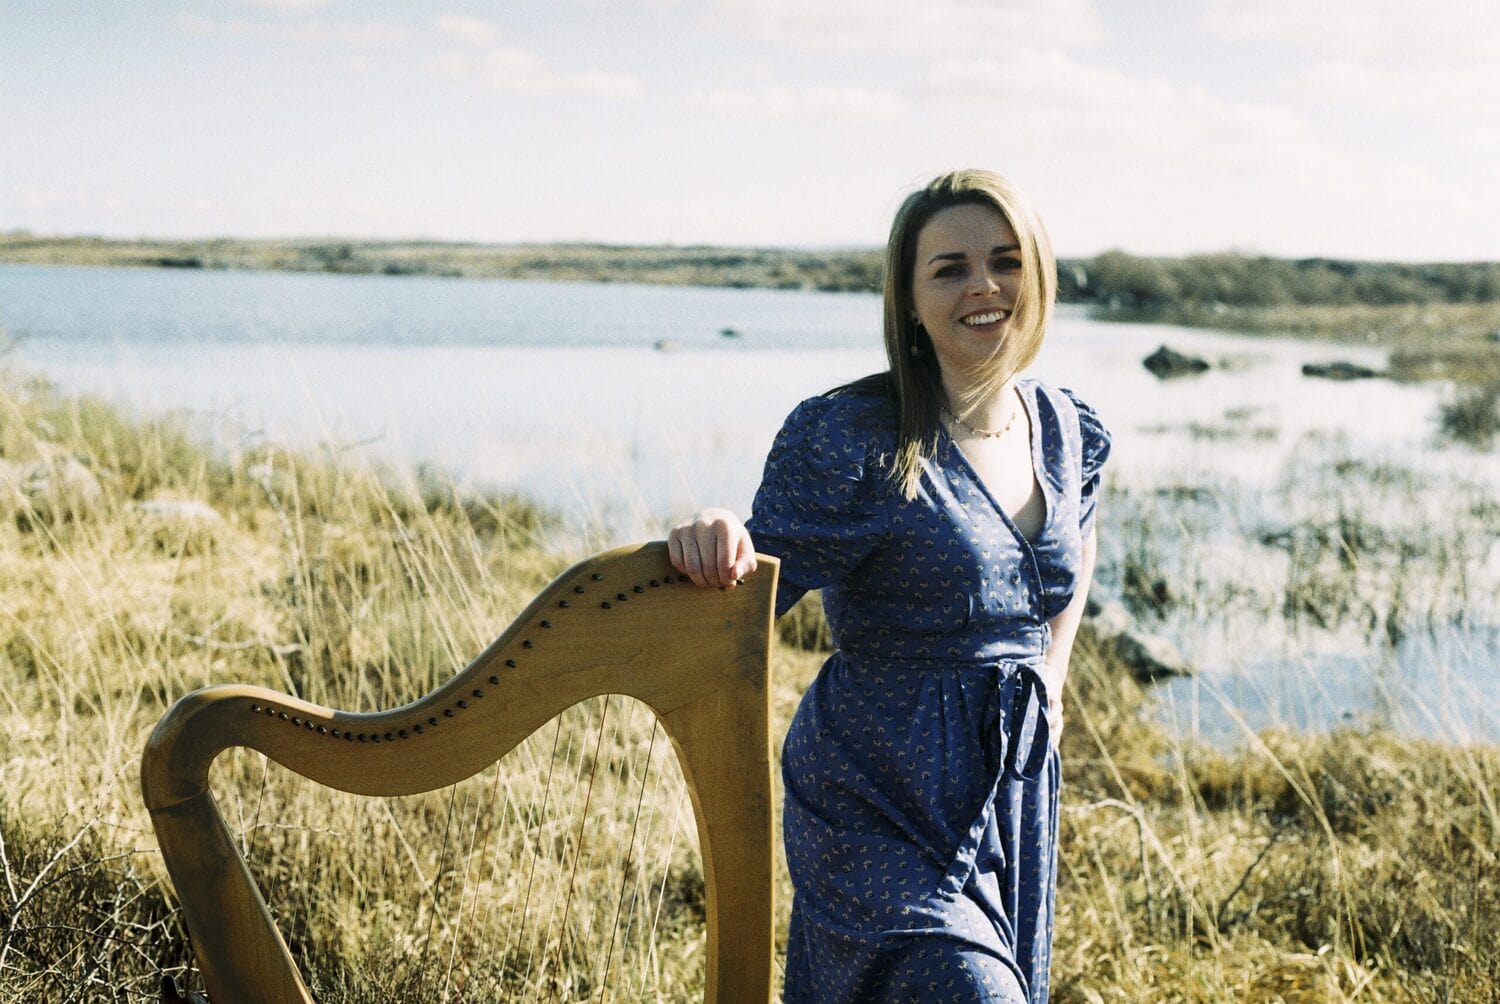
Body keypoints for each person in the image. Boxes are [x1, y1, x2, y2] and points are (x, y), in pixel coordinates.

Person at [667, 169, 1110, 1003]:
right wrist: (711, 531)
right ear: (909, 299)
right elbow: (753, 580)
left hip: (1010, 786)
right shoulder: (855, 436)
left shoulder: (1065, 427)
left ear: (1038, 276)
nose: (983, 286)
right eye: (950, 269)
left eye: (1005, 261)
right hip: (874, 791)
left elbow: (1077, 544)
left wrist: (1052, 674)